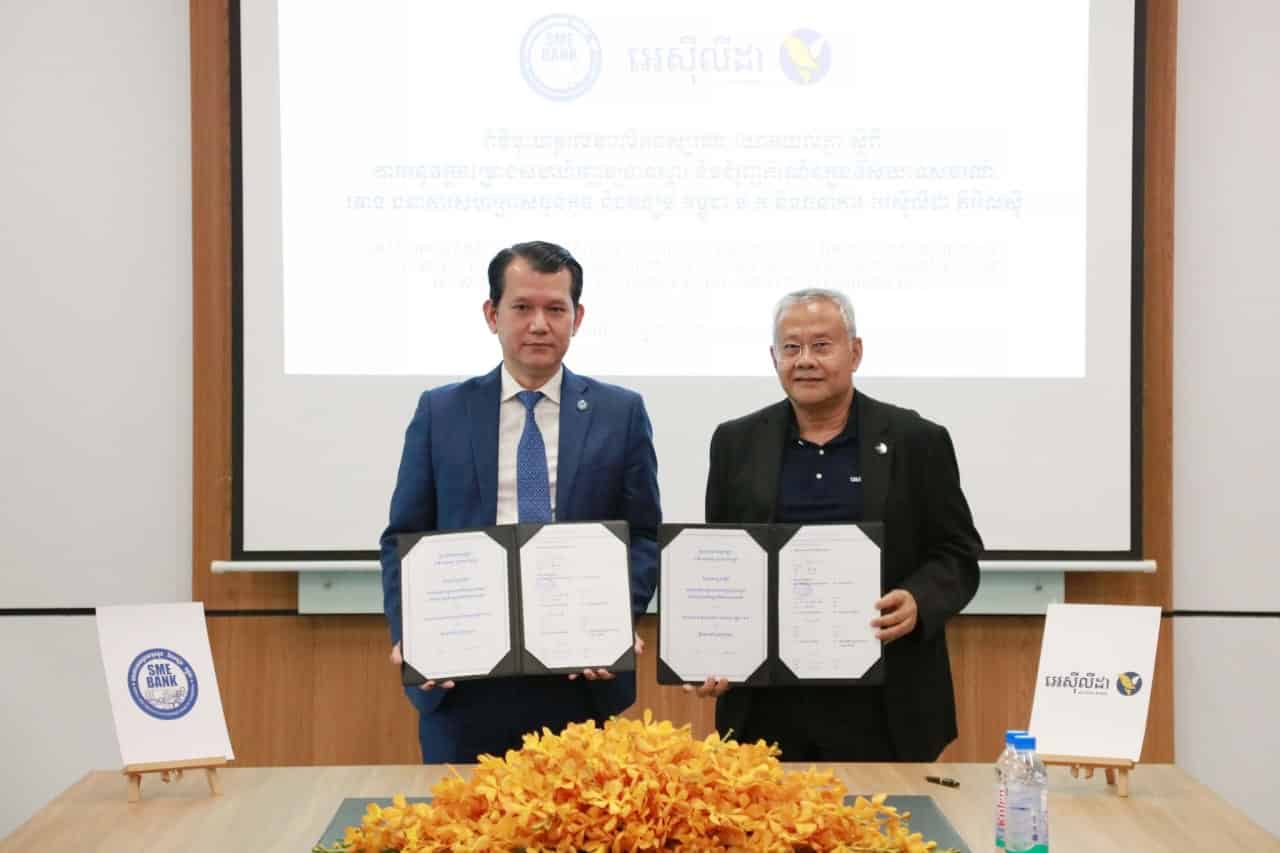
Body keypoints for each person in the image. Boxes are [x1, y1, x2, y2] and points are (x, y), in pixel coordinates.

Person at [380, 241, 661, 763]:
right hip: (464, 680)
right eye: (522, 307)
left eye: (555, 309)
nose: (539, 324)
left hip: (580, 678)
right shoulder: (441, 411)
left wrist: (616, 619)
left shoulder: (620, 412)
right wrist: (413, 634)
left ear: (577, 318)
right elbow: (403, 538)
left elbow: (644, 534)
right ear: (492, 315)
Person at [691, 288, 981, 762]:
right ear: (774, 358)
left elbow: (958, 554)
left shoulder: (916, 440)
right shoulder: (735, 442)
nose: (805, 360)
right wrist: (713, 650)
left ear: (855, 353)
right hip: (768, 706)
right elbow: (723, 564)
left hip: (886, 704)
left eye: (822, 345)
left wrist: (918, 600)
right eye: (791, 347)